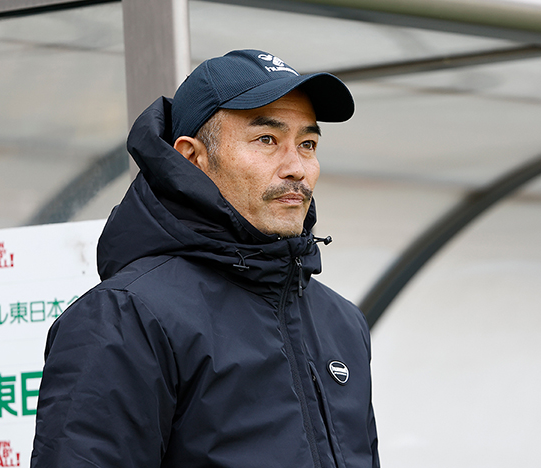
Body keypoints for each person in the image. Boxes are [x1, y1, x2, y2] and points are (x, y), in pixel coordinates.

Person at [31, 49, 380, 468]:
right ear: (191, 157)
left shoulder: (342, 321)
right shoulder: (127, 316)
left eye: (307, 144)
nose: (296, 168)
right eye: (267, 140)